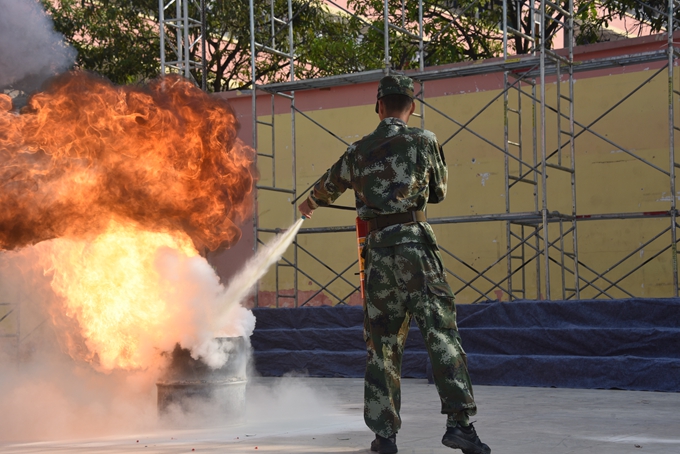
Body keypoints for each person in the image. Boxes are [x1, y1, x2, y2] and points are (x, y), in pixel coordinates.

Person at [298, 75, 490, 454]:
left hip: (377, 255)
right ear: (411, 107)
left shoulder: (357, 151)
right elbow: (439, 192)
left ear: (379, 106)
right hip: (416, 247)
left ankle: (384, 436)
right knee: (440, 333)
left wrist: (310, 203)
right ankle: (460, 425)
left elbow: (327, 186)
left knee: (382, 345)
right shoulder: (424, 140)